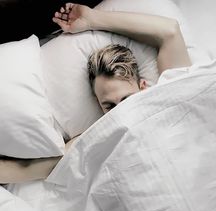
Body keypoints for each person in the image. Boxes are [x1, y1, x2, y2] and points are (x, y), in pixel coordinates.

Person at [0, 2, 191, 184]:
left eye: (126, 99)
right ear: (99, 104)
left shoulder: (169, 94)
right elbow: (32, 169)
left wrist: (92, 19)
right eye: (109, 106)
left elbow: (170, 31)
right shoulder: (98, 134)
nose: (120, 112)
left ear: (143, 86)